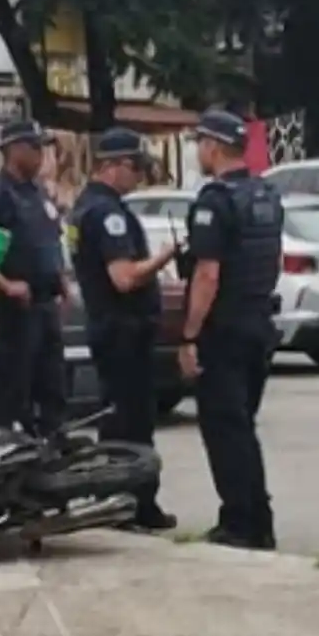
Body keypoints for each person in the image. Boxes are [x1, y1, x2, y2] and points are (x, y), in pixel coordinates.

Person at [178, 108, 284, 550]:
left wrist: (188, 335)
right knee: (242, 425)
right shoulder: (266, 194)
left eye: (200, 143)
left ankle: (244, 523)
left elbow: (207, 275)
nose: (198, 152)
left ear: (213, 146)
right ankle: (252, 515)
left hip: (225, 329)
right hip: (259, 322)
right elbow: (272, 261)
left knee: (225, 427)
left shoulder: (215, 201)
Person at [69, 127, 180, 532]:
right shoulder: (107, 213)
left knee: (119, 420)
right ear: (111, 165)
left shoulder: (86, 206)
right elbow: (124, 278)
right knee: (132, 424)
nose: (139, 176)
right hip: (123, 330)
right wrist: (166, 256)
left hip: (110, 328)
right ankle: (134, 505)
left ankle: (118, 502)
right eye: (135, 167)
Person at [0, 119, 69, 435]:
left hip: (45, 304)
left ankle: (52, 440)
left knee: (52, 382)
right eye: (35, 147)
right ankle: (14, 444)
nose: (41, 155)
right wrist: (5, 284)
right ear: (14, 150)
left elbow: (50, 239)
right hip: (14, 310)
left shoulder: (38, 193)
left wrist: (62, 280)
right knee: (15, 385)